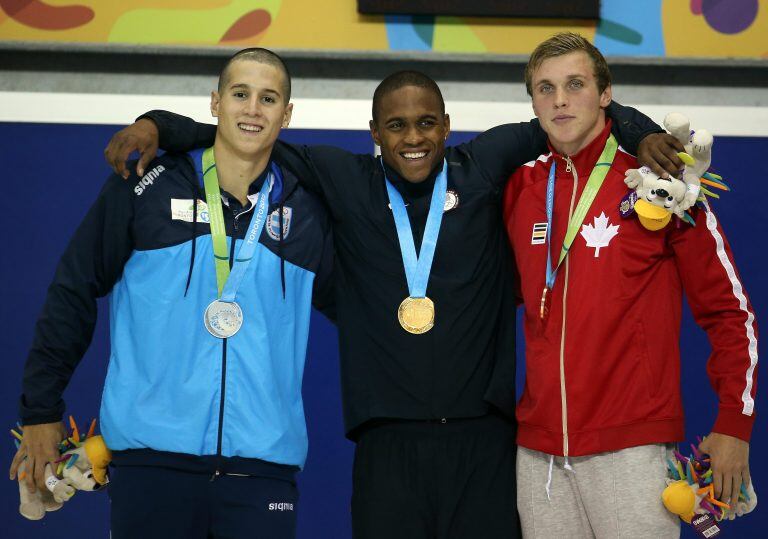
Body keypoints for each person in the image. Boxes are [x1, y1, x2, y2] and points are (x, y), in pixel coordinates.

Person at [104, 69, 682, 538]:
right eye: (398, 125)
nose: (414, 137)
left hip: (482, 443)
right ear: (374, 132)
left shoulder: (482, 166)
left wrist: (641, 130)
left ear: (448, 125)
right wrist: (154, 124)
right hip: (385, 445)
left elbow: (569, 118)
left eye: (428, 123)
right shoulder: (344, 177)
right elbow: (246, 137)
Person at [9, 48, 334, 539]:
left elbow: (365, 312)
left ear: (286, 114)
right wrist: (40, 411)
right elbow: (73, 290)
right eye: (239, 94)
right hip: (151, 470)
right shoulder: (148, 186)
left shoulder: (308, 211)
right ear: (214, 102)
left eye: (268, 99)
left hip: (261, 475)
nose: (252, 110)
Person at [503, 32, 758, 538]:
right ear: (532, 100)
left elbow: (729, 312)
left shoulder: (663, 184)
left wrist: (734, 423)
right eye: (545, 88)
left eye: (575, 84)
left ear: (605, 95)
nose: (560, 100)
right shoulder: (519, 188)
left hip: (632, 449)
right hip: (539, 456)